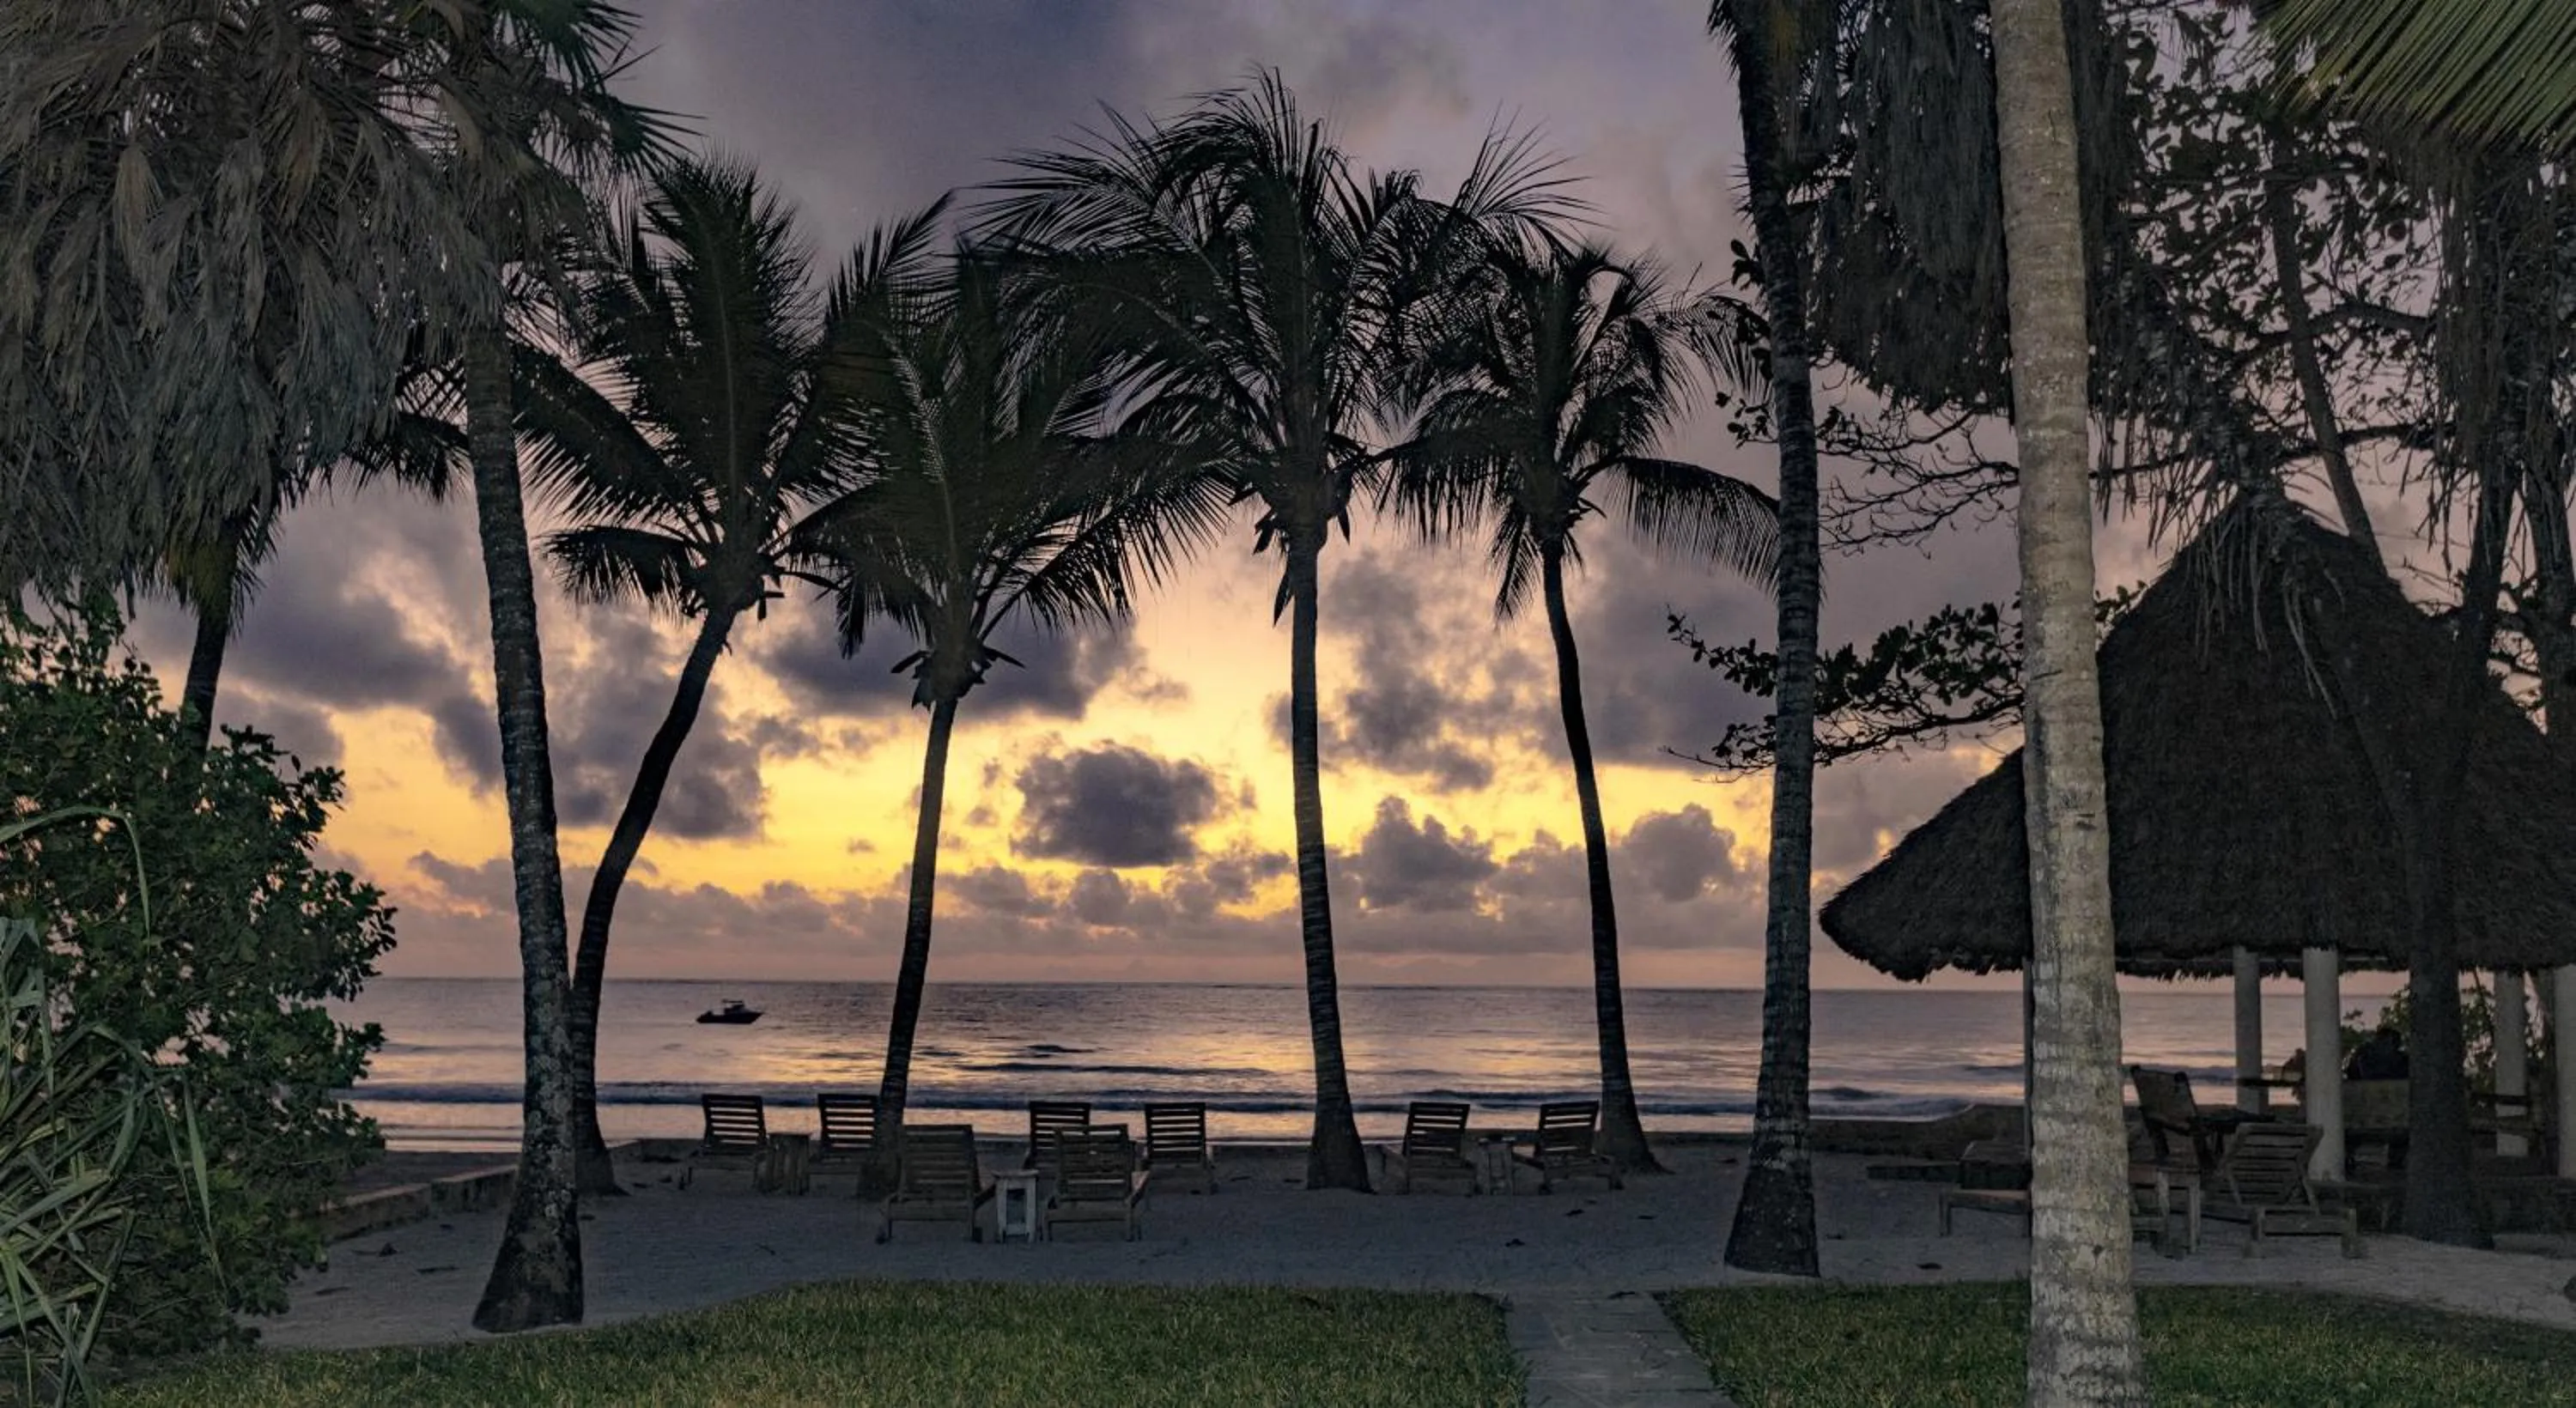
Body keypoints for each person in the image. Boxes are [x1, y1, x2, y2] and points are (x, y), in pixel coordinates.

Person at [2345, 1027, 2409, 1082]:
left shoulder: (2404, 1062)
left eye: (2385, 1043)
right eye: (2379, 1040)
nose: (2379, 1045)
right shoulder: (2364, 1056)